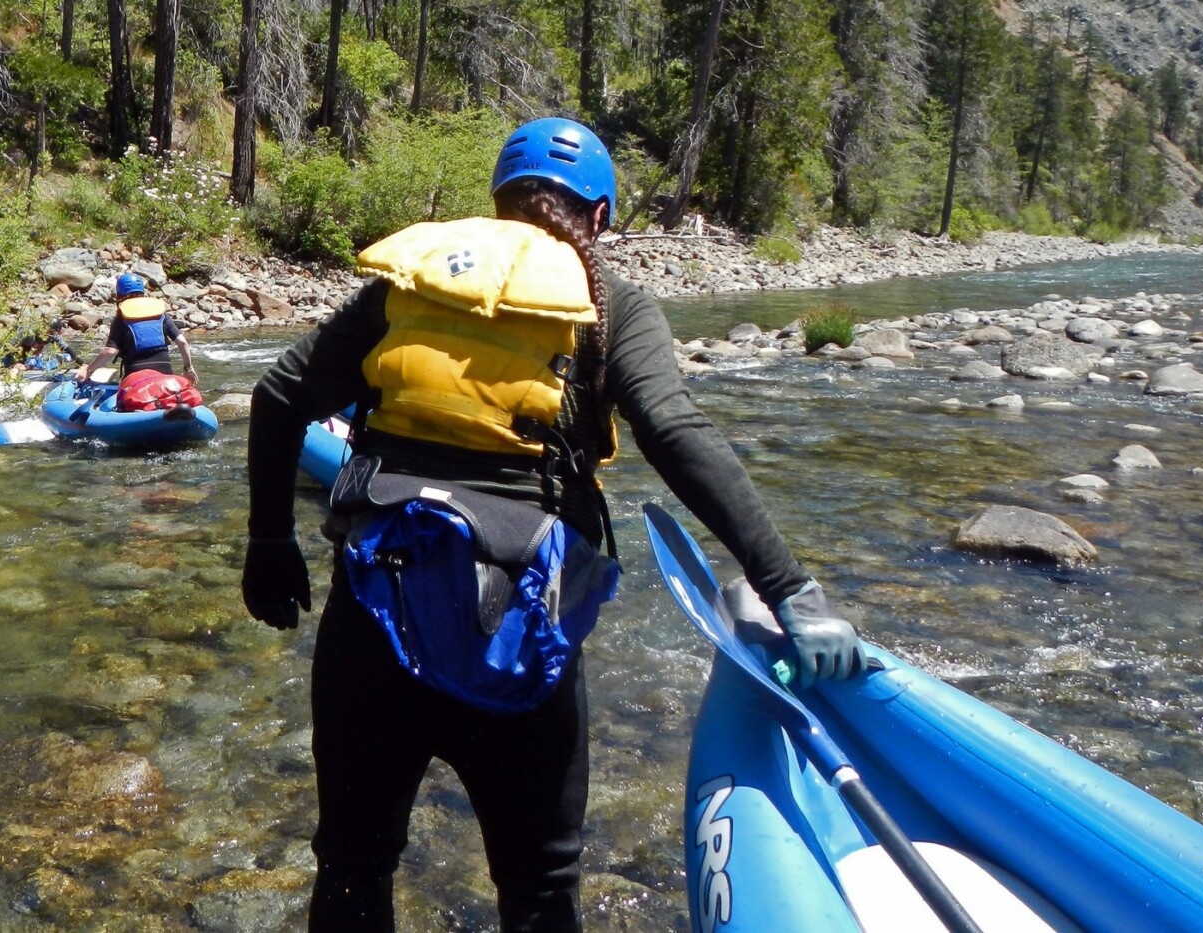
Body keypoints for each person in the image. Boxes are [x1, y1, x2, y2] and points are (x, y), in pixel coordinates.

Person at [241, 117, 865, 930]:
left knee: (355, 864)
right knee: (539, 885)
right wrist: (793, 591)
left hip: (373, 625)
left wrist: (269, 542)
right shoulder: (613, 309)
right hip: (521, 632)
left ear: (496, 202)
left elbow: (277, 397)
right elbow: (674, 434)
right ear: (600, 217)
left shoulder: (413, 287)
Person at [79, 272, 197, 389]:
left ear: (119, 295)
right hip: (165, 372)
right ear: (142, 292)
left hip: (135, 375)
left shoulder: (121, 317)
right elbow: (182, 342)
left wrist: (88, 370)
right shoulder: (160, 314)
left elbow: (110, 351)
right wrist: (188, 368)